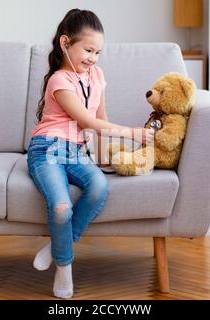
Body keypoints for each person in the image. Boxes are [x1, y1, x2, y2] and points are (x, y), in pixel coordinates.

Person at [27, 8, 155, 299]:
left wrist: (105, 153)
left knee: (99, 187)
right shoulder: (59, 80)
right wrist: (133, 133)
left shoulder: (96, 75)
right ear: (65, 43)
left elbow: (101, 117)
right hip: (46, 149)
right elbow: (86, 120)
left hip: (77, 151)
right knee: (60, 207)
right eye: (87, 50)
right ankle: (64, 266)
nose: (93, 58)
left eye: (98, 52)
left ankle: (57, 246)